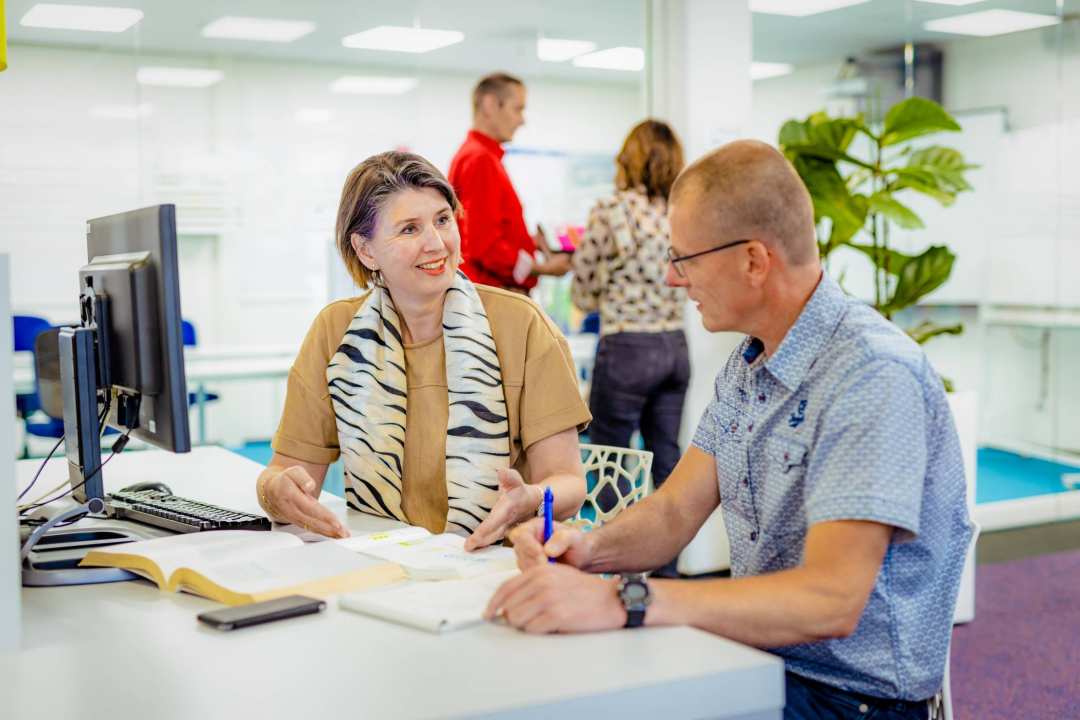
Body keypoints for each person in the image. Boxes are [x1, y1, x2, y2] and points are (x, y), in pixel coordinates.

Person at [487, 140, 974, 720]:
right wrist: (585, 550)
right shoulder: (750, 366)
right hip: (761, 663)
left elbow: (831, 600)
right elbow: (673, 514)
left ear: (753, 260)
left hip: (850, 700)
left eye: (684, 258)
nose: (671, 279)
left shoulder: (869, 375)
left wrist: (628, 599)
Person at [256, 151, 590, 551]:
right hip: (377, 561)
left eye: (443, 220)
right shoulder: (335, 333)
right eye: (410, 229)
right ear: (366, 250)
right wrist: (276, 492)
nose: (437, 243)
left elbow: (569, 483)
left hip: (490, 563)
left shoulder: (523, 324)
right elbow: (285, 475)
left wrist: (533, 498)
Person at [570, 120, 689, 576]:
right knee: (669, 467)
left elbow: (583, 291)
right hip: (675, 346)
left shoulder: (613, 209)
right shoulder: (682, 211)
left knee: (611, 465)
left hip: (627, 347)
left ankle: (610, 571)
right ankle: (666, 578)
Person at [448, 72, 571, 293]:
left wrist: (529, 243)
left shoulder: (479, 156)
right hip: (493, 296)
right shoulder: (480, 159)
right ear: (489, 105)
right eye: (518, 109)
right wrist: (542, 268)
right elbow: (485, 248)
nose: (522, 120)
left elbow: (483, 233)